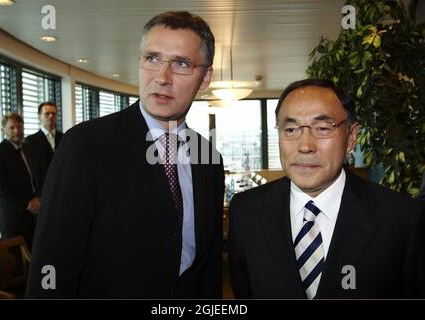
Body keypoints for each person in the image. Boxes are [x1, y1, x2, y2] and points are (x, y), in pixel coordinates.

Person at [26, 11, 224, 299]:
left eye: (181, 63)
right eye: (152, 58)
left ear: (205, 77)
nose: (162, 77)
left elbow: (207, 268)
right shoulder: (86, 145)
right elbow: (53, 261)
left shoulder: (208, 158)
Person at [228, 79, 425, 299]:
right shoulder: (246, 211)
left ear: (351, 137)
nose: (305, 146)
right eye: (291, 129)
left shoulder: (402, 217)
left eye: (322, 128)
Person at [0, 113, 41, 249]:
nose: (17, 131)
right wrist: (27, 204)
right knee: (16, 260)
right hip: (12, 217)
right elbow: (0, 188)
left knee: (33, 254)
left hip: (33, 215)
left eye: (20, 126)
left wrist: (38, 199)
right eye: (12, 128)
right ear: (3, 130)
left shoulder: (29, 149)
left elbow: (37, 177)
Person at [24, 101, 64, 182]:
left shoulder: (64, 137)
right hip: (42, 186)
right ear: (39, 117)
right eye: (47, 113)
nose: (51, 116)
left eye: (54, 113)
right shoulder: (30, 141)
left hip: (62, 182)